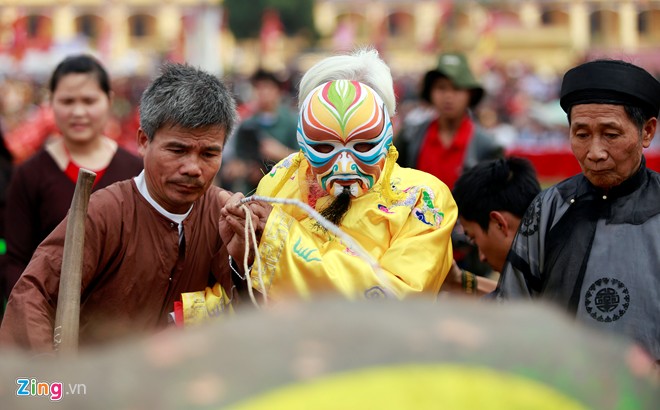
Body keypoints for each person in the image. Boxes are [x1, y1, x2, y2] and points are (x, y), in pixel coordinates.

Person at [0, 63, 239, 351]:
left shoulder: (226, 215)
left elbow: (256, 313)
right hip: (98, 376)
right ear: (143, 141)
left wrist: (246, 256)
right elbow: (32, 295)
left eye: (209, 154)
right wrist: (52, 374)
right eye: (177, 150)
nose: (193, 168)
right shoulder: (102, 213)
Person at [218, 48, 457, 302]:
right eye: (324, 147)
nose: (344, 166)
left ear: (387, 129)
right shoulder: (282, 179)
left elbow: (394, 298)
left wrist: (279, 239)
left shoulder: (421, 200)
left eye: (363, 145)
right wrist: (244, 258)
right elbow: (254, 295)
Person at [494, 59, 660, 362]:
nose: (595, 153)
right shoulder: (549, 208)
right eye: (582, 135)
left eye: (611, 135)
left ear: (647, 132)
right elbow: (514, 309)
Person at [2, 55, 143, 303]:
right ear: (51, 103)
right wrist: (33, 312)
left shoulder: (136, 170)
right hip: (48, 313)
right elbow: (15, 259)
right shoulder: (29, 174)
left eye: (89, 101)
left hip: (124, 318)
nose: (78, 112)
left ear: (109, 101)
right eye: (67, 101)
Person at [395, 52, 502, 190]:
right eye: (441, 87)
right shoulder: (410, 136)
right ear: (430, 92)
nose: (448, 96)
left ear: (470, 94)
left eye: (457, 88)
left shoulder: (488, 146)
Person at [441, 157, 541, 296]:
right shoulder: (547, 261)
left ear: (499, 224)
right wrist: (456, 280)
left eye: (473, 238)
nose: (482, 257)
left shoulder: (563, 270)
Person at [221, 69, 298, 194]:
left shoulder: (292, 122)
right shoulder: (247, 124)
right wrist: (243, 168)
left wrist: (282, 152)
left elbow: (307, 159)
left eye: (267, 88)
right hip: (253, 192)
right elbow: (237, 157)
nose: (263, 93)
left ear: (278, 91)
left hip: (285, 192)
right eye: (258, 88)